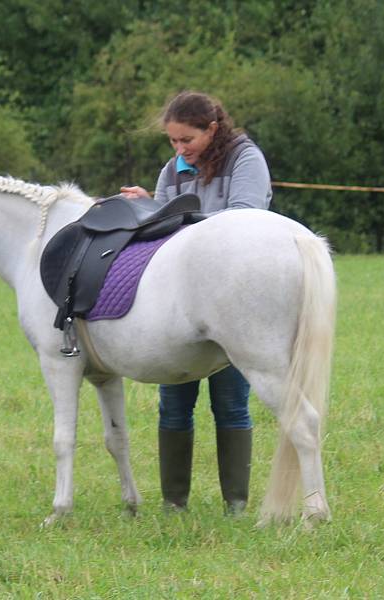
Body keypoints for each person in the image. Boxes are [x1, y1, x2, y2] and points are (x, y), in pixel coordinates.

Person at [120, 91, 272, 515]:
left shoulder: (246, 160)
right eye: (172, 142)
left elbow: (242, 218)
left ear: (213, 129)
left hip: (232, 299)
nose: (179, 150)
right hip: (180, 302)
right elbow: (166, 227)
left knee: (230, 403)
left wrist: (174, 217)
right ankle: (174, 504)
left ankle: (236, 505)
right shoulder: (173, 169)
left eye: (187, 140)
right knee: (174, 404)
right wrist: (148, 209)